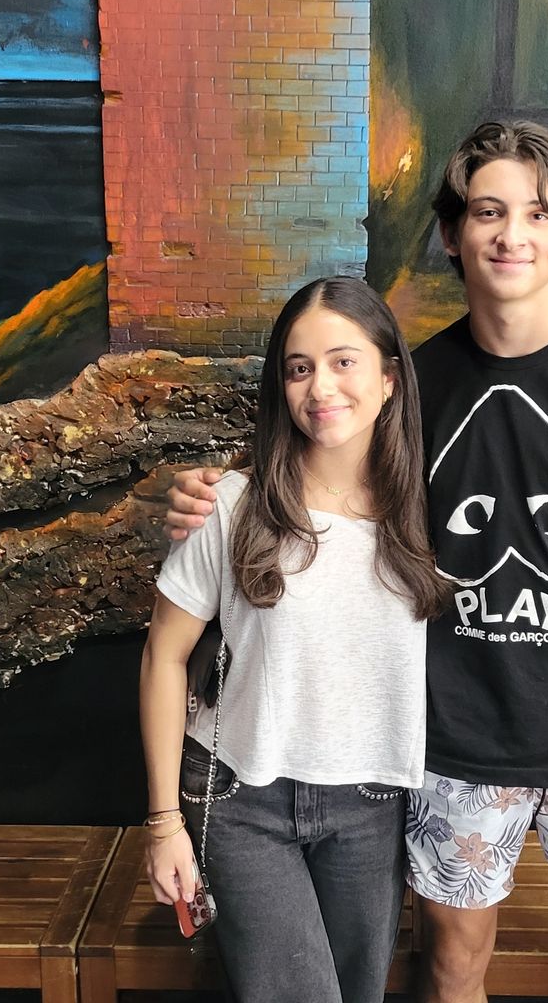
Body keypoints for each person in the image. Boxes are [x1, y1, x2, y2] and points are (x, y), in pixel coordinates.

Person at [167, 120, 548, 1003]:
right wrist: (213, 491)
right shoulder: (410, 390)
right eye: (488, 212)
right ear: (452, 234)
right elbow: (312, 467)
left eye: (537, 215)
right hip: (454, 742)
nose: (511, 235)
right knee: (451, 967)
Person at [139, 276, 450, 1003]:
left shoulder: (434, 510)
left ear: (389, 378)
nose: (320, 387)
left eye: (344, 362)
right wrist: (162, 824)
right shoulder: (231, 505)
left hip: (373, 802)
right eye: (299, 367)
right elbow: (164, 657)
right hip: (242, 800)